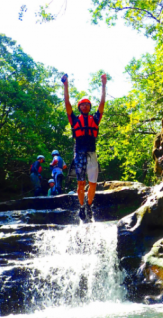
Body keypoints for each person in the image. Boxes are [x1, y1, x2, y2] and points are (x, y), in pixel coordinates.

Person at [62, 72, 107, 221]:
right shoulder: (75, 120)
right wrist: (66, 86)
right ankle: (82, 207)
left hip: (92, 154)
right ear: (80, 107)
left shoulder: (95, 118)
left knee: (93, 183)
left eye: (87, 104)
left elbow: (102, 104)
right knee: (81, 183)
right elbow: (67, 103)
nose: (85, 106)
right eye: (83, 104)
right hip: (79, 154)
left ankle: (89, 205)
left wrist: (103, 85)